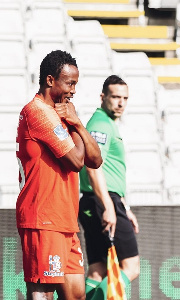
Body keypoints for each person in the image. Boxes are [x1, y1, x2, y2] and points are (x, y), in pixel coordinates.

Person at [16, 50, 102, 299]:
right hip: (43, 217)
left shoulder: (62, 115)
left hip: (64, 220)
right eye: (70, 83)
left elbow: (95, 160)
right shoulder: (38, 112)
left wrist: (77, 123)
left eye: (76, 83)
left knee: (76, 295)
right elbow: (77, 161)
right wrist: (72, 122)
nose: (74, 90)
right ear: (50, 80)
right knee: (42, 293)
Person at [78, 75, 140, 299]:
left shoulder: (104, 123)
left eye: (125, 98)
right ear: (103, 97)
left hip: (95, 201)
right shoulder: (101, 125)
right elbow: (93, 168)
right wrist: (109, 206)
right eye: (115, 97)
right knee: (131, 267)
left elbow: (108, 170)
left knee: (97, 270)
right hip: (102, 201)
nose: (121, 102)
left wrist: (124, 206)